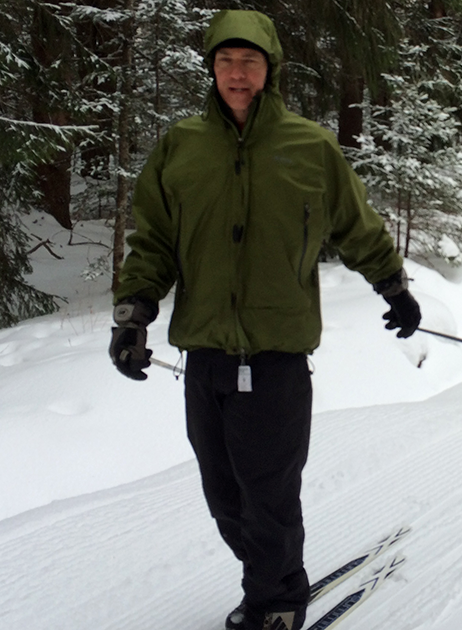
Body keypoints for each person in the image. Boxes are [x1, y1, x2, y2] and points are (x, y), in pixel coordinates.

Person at [106, 10, 421, 630]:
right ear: (211, 69)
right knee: (224, 495)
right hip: (205, 355)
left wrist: (393, 285)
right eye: (226, 61)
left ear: (270, 70)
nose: (237, 73)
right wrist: (132, 318)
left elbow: (356, 224)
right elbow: (154, 242)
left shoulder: (309, 146)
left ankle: (274, 602)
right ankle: (272, 576)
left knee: (269, 495)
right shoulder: (182, 147)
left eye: (250, 61)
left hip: (276, 357)